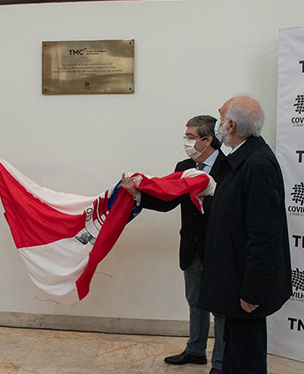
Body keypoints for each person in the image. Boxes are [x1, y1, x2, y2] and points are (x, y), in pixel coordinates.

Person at [121, 115, 227, 374]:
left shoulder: (230, 167)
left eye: (191, 137)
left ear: (208, 140)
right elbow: (169, 199)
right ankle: (195, 350)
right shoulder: (184, 165)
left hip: (219, 249)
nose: (186, 141)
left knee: (221, 310)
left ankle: (222, 363)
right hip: (191, 248)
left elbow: (231, 209)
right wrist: (138, 193)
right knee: (195, 301)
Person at [198, 95, 292, 373]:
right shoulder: (241, 159)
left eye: (221, 117)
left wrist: (252, 291)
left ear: (232, 125)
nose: (217, 123)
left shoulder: (257, 164)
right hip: (233, 279)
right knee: (235, 351)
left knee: (246, 358)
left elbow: (263, 235)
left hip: (244, 285)